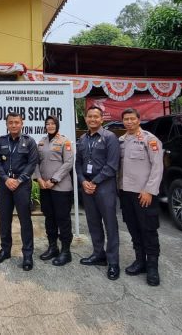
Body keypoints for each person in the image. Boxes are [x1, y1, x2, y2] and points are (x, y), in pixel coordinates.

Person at [76, 106, 122, 280]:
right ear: (86, 119)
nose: (92, 119)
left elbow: (112, 165)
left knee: (110, 224)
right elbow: (77, 164)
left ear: (101, 119)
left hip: (104, 186)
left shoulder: (110, 138)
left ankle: (113, 262)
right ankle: (98, 254)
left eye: (96, 116)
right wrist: (83, 181)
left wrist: (94, 182)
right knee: (93, 222)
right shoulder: (82, 139)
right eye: (90, 116)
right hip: (87, 185)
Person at [119, 108, 163, 286]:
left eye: (132, 119)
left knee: (149, 230)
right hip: (125, 193)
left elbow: (157, 167)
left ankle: (152, 267)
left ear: (138, 119)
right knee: (134, 229)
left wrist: (149, 190)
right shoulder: (121, 141)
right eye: (126, 119)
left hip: (144, 194)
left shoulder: (149, 139)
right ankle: (140, 262)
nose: (129, 122)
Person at [0, 112, 39, 271]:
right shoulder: (1, 141)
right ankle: (5, 250)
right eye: (10, 122)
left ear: (21, 123)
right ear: (6, 124)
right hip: (5, 184)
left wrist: (18, 180)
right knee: (4, 219)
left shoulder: (29, 142)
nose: (13, 125)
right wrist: (6, 179)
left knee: (25, 220)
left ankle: (27, 254)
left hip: (22, 185)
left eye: (16, 122)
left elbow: (32, 163)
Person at [33, 115, 74, 266]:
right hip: (45, 187)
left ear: (57, 125)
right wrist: (39, 179)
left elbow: (68, 163)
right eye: (47, 124)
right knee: (49, 218)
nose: (50, 126)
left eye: (52, 123)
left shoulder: (65, 141)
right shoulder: (42, 142)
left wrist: (53, 180)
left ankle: (66, 252)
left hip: (61, 187)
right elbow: (36, 162)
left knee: (63, 219)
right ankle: (52, 247)